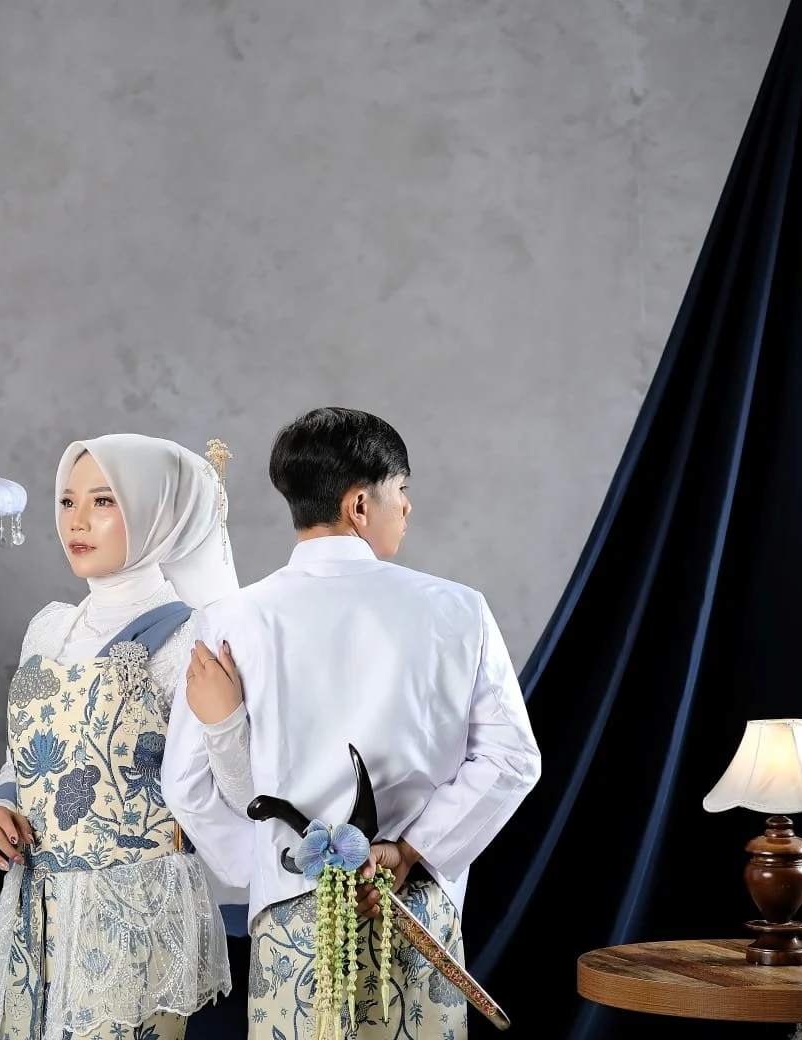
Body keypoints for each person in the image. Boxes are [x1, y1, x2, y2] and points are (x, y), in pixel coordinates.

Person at [161, 407, 542, 1040]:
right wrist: (413, 849)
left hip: (291, 924)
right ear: (360, 505)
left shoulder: (228, 620)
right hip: (409, 908)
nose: (408, 507)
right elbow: (512, 759)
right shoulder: (457, 610)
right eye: (402, 489)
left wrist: (271, 867)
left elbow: (186, 782)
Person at [0, 434, 244, 1040]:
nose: (77, 521)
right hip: (37, 910)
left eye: (104, 501)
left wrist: (227, 722)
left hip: (135, 915)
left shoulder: (191, 636)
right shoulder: (48, 628)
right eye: (67, 501)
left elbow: (235, 790)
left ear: (154, 513)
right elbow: (23, 758)